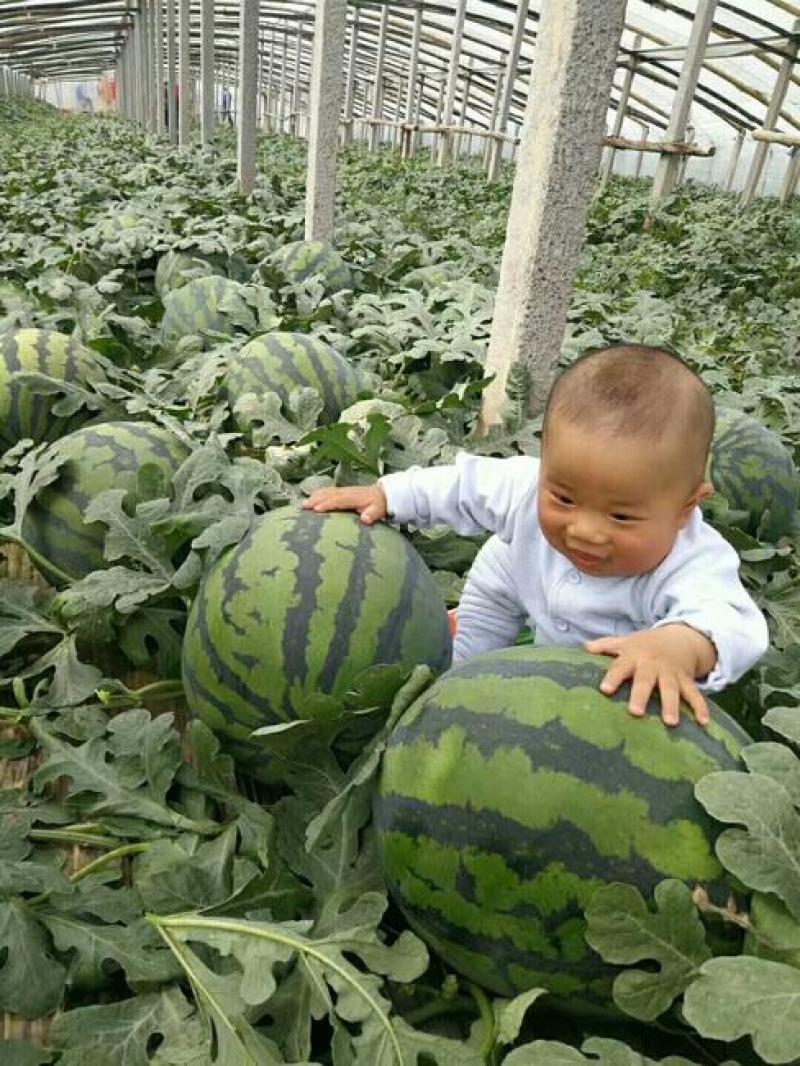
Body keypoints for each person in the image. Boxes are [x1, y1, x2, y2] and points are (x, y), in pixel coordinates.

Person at [303, 344, 770, 728]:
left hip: (594, 654)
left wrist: (677, 647)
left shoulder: (692, 563)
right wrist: (387, 494)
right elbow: (463, 486)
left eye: (622, 517)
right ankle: (456, 667)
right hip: (511, 577)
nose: (584, 531)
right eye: (563, 499)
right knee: (467, 657)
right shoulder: (526, 487)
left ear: (687, 507)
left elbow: (732, 623)